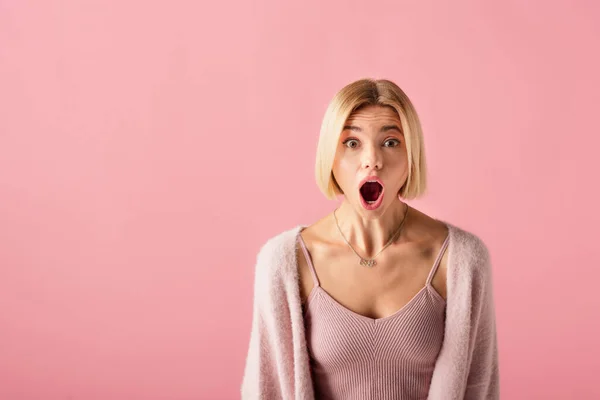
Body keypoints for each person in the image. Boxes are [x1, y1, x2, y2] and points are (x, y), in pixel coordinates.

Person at [241, 78, 500, 400]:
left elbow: (478, 386)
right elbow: (267, 389)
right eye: (352, 143)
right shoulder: (284, 261)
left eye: (391, 142)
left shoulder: (461, 258)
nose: (372, 160)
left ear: (411, 156)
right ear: (330, 156)